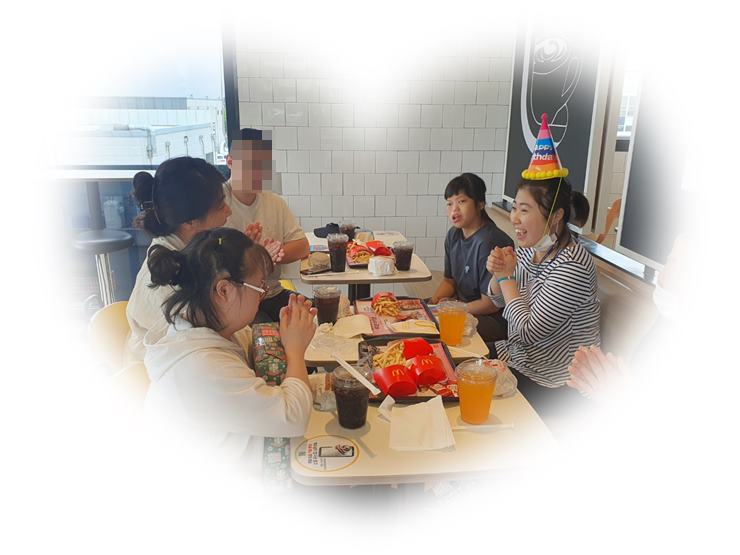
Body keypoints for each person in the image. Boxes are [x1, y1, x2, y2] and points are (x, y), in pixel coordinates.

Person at [143, 227, 316, 460]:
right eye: (260, 287)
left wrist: (289, 332)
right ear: (224, 290)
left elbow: (252, 343)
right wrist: (295, 350)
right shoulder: (201, 366)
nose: (262, 295)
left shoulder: (205, 326)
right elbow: (293, 418)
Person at [126, 156, 282, 361]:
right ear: (190, 221)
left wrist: (243, 261)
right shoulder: (166, 279)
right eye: (220, 205)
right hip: (173, 371)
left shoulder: (193, 251)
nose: (228, 210)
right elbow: (209, 346)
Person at [486, 177, 600, 418]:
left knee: (464, 388)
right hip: (517, 357)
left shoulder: (573, 265)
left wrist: (506, 278)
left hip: (554, 383)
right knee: (450, 362)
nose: (514, 218)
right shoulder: (531, 249)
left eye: (524, 210)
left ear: (556, 216)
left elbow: (528, 332)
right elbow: (497, 301)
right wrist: (498, 272)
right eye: (514, 208)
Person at [226, 128, 310, 322]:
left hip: (272, 292)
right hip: (236, 300)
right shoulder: (217, 203)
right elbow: (211, 256)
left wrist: (270, 255)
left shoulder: (274, 202)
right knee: (267, 334)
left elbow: (302, 246)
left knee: (315, 315)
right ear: (230, 162)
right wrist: (251, 257)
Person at [429, 173, 514, 343]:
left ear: (480, 204)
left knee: (436, 329)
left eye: (461, 201)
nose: (454, 210)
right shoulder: (453, 235)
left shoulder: (489, 241)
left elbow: (490, 304)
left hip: (493, 319)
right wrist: (432, 304)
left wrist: (452, 310)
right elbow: (449, 281)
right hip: (463, 306)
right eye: (449, 203)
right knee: (418, 313)